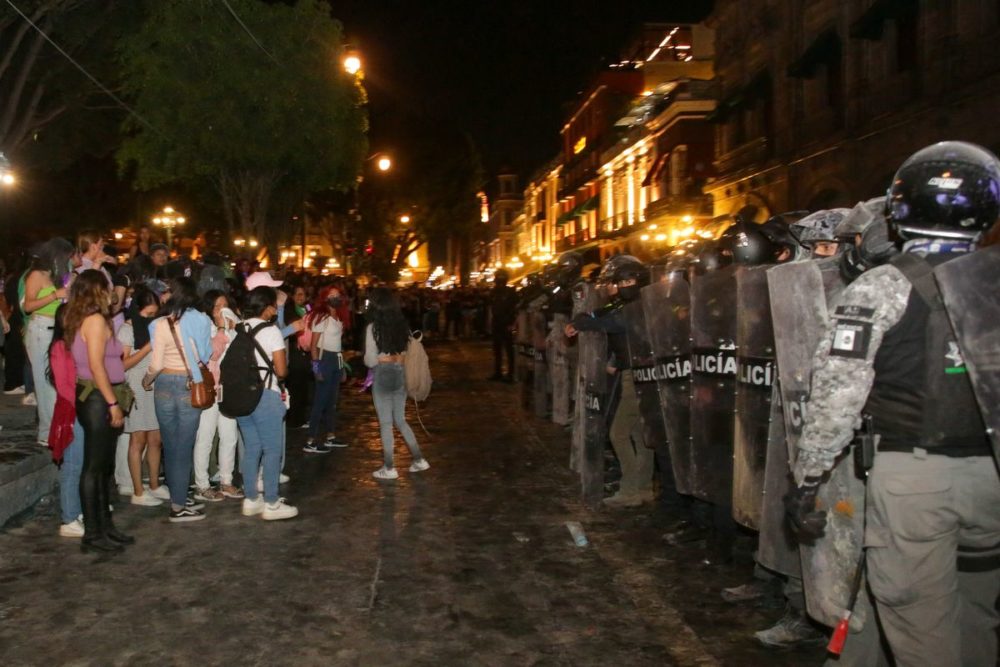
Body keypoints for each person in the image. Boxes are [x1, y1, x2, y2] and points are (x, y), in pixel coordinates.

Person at [788, 141, 1000, 667]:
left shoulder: (881, 286)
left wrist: (809, 478)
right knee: (977, 611)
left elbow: (838, 392)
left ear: (900, 207)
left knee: (919, 621)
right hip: (992, 480)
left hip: (916, 479)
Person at [565, 256, 654, 507]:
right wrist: (578, 321)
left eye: (626, 281)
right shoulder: (625, 304)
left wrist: (583, 322)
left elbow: (608, 323)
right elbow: (598, 313)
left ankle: (632, 487)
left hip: (636, 376)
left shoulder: (638, 306)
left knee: (619, 433)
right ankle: (643, 486)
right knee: (638, 433)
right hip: (634, 373)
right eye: (619, 281)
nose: (619, 287)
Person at [65, 270, 132, 553]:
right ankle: (93, 533)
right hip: (97, 397)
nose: (111, 292)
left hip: (98, 395)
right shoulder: (93, 321)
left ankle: (105, 526)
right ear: (97, 290)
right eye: (106, 287)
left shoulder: (92, 319)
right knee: (94, 467)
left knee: (102, 466)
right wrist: (112, 403)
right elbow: (96, 365)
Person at [143, 277, 213, 523]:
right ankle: (178, 506)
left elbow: (157, 362)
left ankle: (179, 496)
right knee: (184, 447)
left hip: (163, 384)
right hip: (187, 384)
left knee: (170, 447)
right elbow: (205, 354)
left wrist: (147, 380)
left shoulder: (158, 323)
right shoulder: (202, 319)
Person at [236, 286, 298, 520]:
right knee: (272, 450)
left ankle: (251, 499)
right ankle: (271, 502)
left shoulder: (239, 328)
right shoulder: (271, 331)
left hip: (242, 396)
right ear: (268, 306)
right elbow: (281, 370)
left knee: (252, 448)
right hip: (265, 395)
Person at [365, 287, 429, 480]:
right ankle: (419, 459)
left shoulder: (373, 327)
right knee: (400, 419)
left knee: (385, 423)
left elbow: (370, 360)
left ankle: (389, 466)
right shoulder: (402, 325)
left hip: (383, 374)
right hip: (400, 373)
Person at [117, 286, 167, 506]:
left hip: (157, 384)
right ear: (137, 311)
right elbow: (122, 364)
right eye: (147, 314)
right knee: (138, 440)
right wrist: (147, 348)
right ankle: (138, 490)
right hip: (136, 385)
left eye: (155, 314)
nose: (151, 319)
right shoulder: (126, 330)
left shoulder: (158, 326)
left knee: (156, 439)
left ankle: (154, 484)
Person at [22, 238, 74, 445]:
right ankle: (45, 432)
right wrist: (55, 295)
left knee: (57, 381)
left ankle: (56, 428)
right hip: (40, 329)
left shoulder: (58, 276)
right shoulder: (36, 275)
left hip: (57, 329)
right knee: (44, 383)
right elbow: (28, 305)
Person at [192, 290, 242, 501]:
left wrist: (233, 328)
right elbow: (211, 354)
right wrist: (222, 329)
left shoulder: (234, 327)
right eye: (216, 306)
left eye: (224, 305)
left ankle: (226, 481)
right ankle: (202, 484)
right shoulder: (205, 327)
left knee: (229, 436)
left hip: (228, 388)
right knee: (205, 436)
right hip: (210, 388)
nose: (222, 310)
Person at [304, 285, 349, 453]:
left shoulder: (339, 316)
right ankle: (310, 439)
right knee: (320, 401)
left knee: (332, 401)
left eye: (338, 295)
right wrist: (316, 368)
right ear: (324, 298)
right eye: (332, 295)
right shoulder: (321, 318)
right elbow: (313, 346)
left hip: (336, 359)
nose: (335, 298)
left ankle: (330, 435)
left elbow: (338, 344)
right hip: (324, 359)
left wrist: (342, 366)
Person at [488, 268, 517, 382]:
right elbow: (491, 308)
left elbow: (514, 309)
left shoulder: (511, 292)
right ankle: (498, 372)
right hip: (497, 323)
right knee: (497, 349)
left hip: (507, 323)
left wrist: (512, 323)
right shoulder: (493, 292)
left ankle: (510, 373)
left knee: (509, 349)